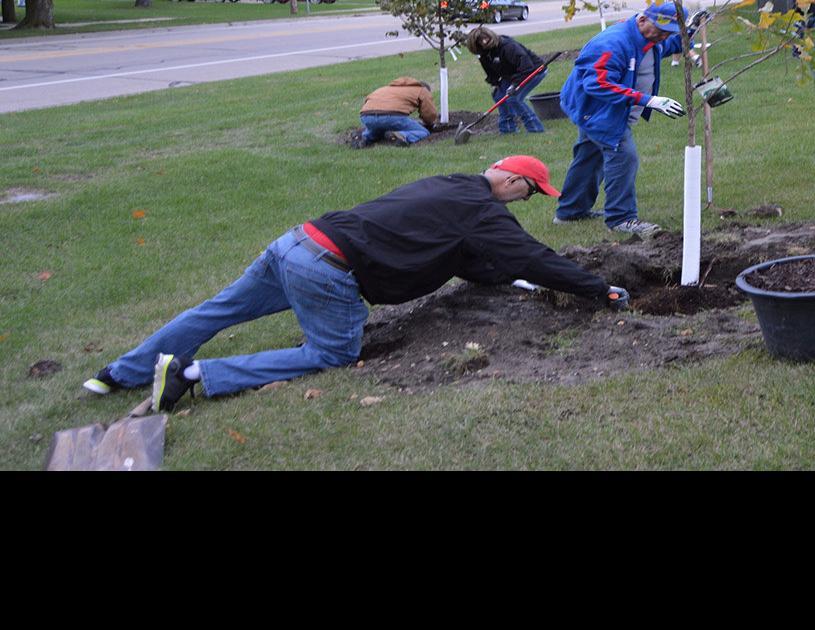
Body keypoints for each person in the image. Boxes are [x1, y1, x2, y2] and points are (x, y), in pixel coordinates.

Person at [82, 156, 630, 412]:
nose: (525, 203)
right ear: (511, 181)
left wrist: (507, 278)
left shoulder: (449, 185)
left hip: (296, 241)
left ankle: (115, 374)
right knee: (333, 350)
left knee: (219, 310)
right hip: (328, 269)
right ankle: (194, 373)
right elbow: (530, 255)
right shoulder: (483, 211)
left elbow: (465, 257)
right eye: (530, 194)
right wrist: (595, 287)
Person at [555, 3, 703, 235]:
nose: (663, 36)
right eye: (661, 30)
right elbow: (597, 84)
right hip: (597, 110)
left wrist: (691, 30)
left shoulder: (650, 38)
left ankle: (570, 212)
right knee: (624, 156)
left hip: (603, 108)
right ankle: (621, 218)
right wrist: (648, 100)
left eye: (670, 31)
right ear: (643, 19)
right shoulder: (612, 43)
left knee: (589, 156)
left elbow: (670, 45)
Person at [465, 27, 546, 135]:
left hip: (533, 71)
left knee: (513, 98)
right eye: (479, 41)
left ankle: (535, 128)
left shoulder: (508, 47)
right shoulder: (483, 54)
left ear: (490, 36)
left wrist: (514, 86)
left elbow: (527, 67)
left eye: (485, 38)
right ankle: (508, 129)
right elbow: (491, 73)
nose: (483, 42)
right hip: (512, 75)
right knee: (499, 96)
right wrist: (496, 84)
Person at [353, 76, 438, 149]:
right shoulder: (422, 90)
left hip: (367, 116)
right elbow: (429, 113)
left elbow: (368, 101)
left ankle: (363, 137)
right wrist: (429, 123)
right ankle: (402, 136)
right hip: (392, 117)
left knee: (379, 130)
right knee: (423, 132)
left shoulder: (385, 88)